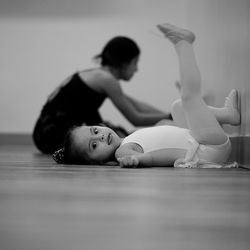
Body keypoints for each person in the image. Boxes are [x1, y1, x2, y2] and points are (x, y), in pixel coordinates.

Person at [52, 23, 241, 168]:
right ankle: (184, 44)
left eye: (95, 131)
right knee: (188, 98)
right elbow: (136, 118)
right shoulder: (123, 152)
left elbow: (138, 106)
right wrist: (139, 159)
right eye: (94, 146)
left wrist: (169, 117)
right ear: (124, 62)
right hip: (207, 149)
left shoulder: (125, 139)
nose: (100, 137)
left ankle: (228, 115)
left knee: (178, 106)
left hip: (203, 143)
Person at [33, 36, 172, 154]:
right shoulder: (107, 80)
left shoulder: (98, 75)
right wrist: (170, 116)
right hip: (51, 136)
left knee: (119, 134)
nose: (136, 69)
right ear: (124, 63)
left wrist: (170, 113)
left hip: (43, 133)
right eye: (135, 63)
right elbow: (136, 118)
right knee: (122, 138)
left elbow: (135, 104)